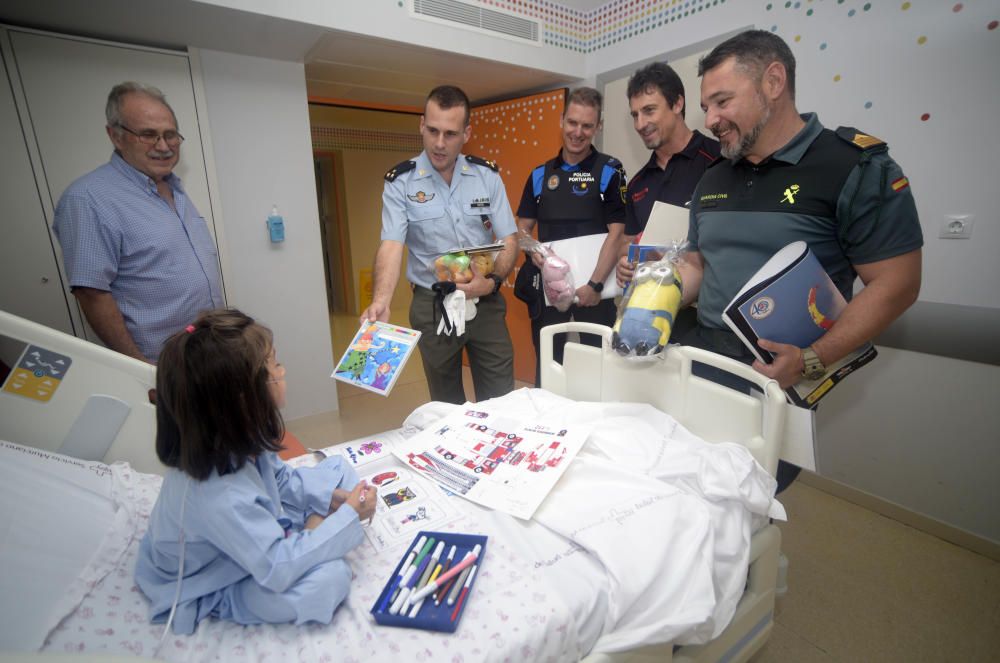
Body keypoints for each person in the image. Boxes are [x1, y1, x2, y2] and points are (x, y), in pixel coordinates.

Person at [680, 30, 923, 490]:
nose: (710, 119)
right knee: (689, 489)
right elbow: (697, 264)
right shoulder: (712, 176)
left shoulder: (854, 168)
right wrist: (655, 298)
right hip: (702, 358)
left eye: (722, 101)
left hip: (781, 372)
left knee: (747, 506)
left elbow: (898, 284)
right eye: (705, 106)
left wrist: (813, 358)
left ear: (774, 82)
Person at [135, 309, 375, 635]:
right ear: (245, 398)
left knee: (337, 468)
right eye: (275, 364)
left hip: (246, 534)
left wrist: (330, 499)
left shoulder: (233, 436)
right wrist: (346, 516)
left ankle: (310, 530)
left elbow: (278, 478)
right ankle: (230, 597)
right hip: (215, 572)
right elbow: (277, 568)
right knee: (329, 580)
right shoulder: (220, 496)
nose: (283, 369)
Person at [361, 85, 518, 404]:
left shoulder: (486, 176)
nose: (439, 143)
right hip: (432, 305)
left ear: (467, 133)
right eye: (432, 130)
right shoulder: (400, 182)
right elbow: (392, 245)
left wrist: (491, 283)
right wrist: (381, 300)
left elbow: (508, 239)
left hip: (485, 301)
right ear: (421, 124)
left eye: (450, 133)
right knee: (445, 405)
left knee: (502, 398)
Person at [52, 82, 223, 363]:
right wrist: (139, 369)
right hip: (159, 362)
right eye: (148, 135)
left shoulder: (174, 188)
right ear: (116, 136)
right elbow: (92, 293)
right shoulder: (88, 199)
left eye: (170, 135)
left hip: (205, 351)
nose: (164, 146)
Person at [515, 87, 627, 383]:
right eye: (573, 123)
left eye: (587, 125)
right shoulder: (540, 174)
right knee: (549, 368)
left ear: (598, 127)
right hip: (550, 291)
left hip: (597, 290)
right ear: (562, 120)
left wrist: (595, 284)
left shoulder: (611, 171)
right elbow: (522, 229)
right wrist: (535, 253)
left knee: (600, 371)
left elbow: (618, 234)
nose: (578, 132)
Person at [615, 63, 721, 338]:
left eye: (649, 110)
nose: (640, 124)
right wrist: (625, 263)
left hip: (706, 323)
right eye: (635, 115)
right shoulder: (638, 183)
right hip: (649, 317)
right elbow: (628, 243)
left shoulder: (720, 162)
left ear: (677, 103)